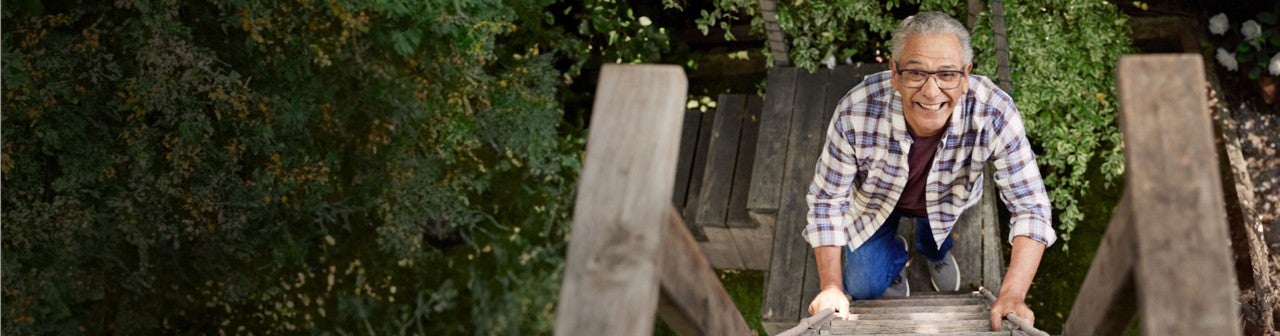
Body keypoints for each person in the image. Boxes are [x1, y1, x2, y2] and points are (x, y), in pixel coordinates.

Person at [803, 12, 1054, 331]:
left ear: (966, 76)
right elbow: (827, 201)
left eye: (947, 74)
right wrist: (831, 287)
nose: (932, 91)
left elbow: (1031, 206)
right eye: (916, 73)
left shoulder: (996, 111)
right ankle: (897, 258)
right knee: (862, 288)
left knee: (935, 241)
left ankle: (934, 254)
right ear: (894, 73)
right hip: (875, 203)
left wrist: (1013, 294)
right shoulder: (855, 110)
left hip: (949, 201)